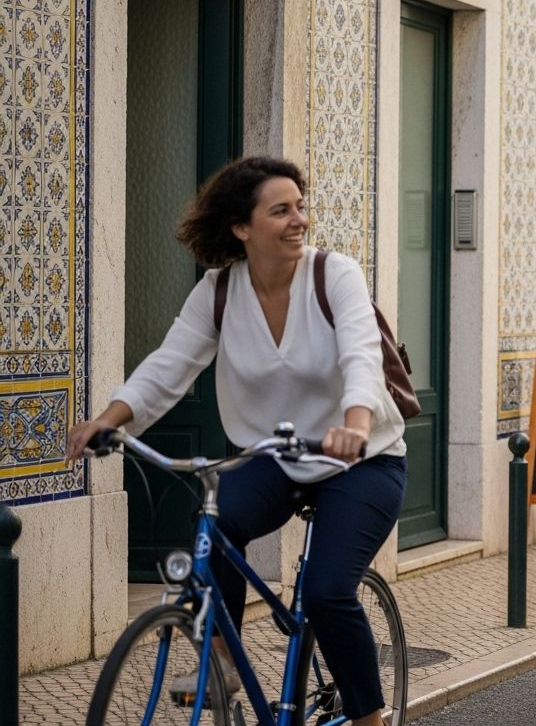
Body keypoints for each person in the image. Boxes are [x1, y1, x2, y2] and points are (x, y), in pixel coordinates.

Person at [65, 157, 406, 726]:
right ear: (241, 228)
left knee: (325, 592)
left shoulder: (333, 275)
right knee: (215, 521)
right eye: (281, 210)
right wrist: (110, 419)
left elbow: (360, 355)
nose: (299, 219)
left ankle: (370, 719)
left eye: (300, 206)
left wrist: (358, 424)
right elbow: (168, 366)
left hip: (363, 459)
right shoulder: (220, 291)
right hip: (275, 455)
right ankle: (219, 662)